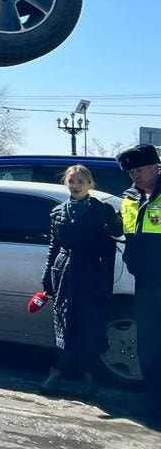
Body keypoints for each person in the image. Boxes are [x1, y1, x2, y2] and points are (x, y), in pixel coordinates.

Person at [38, 164, 121, 398]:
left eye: (80, 182)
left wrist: (104, 286)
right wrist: (47, 277)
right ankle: (55, 377)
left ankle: (87, 379)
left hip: (90, 275)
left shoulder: (101, 211)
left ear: (90, 184)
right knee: (65, 328)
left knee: (89, 330)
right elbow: (53, 247)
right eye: (71, 182)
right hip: (64, 275)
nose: (75, 186)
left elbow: (109, 251)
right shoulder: (57, 211)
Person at [117, 143, 161, 392]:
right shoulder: (130, 197)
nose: (135, 175)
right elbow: (127, 232)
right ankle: (154, 400)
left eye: (140, 170)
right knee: (149, 343)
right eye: (131, 172)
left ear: (155, 166)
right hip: (144, 282)